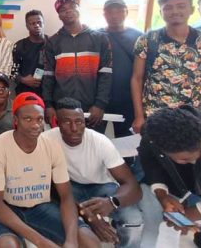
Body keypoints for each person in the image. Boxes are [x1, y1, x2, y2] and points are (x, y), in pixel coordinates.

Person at [0, 92, 100, 248]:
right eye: (28, 119)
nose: (36, 125)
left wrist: (71, 241)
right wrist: (41, 241)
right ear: (15, 120)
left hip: (40, 207)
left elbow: (66, 197)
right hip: (6, 207)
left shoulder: (51, 146)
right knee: (8, 246)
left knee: (89, 241)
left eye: (39, 119)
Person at [131, 0, 201, 133]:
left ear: (191, 10)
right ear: (161, 12)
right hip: (156, 116)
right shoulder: (148, 40)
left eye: (181, 6)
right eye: (168, 7)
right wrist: (139, 116)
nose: (175, 11)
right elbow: (137, 79)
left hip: (195, 118)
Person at [45, 97, 143, 247]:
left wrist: (112, 202)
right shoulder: (46, 141)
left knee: (134, 220)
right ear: (57, 123)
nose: (74, 128)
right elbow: (47, 187)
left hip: (101, 186)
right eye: (66, 122)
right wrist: (87, 215)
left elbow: (133, 187)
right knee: (58, 219)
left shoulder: (100, 141)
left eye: (79, 122)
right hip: (67, 187)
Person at [139, 107, 201, 248]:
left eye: (186, 159)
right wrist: (162, 194)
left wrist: (193, 214)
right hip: (189, 186)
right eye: (173, 158)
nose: (180, 162)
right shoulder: (155, 134)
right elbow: (150, 160)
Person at [42, 0, 112, 130]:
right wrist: (48, 105)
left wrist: (100, 104)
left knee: (93, 143)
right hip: (63, 108)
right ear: (59, 16)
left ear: (79, 9)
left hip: (92, 110)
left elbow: (106, 75)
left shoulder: (100, 39)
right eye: (63, 10)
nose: (68, 11)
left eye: (72, 7)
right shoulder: (53, 42)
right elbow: (48, 76)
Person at [99, 0, 142, 138]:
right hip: (101, 98)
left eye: (119, 11)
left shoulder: (139, 37)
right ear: (104, 14)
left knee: (127, 138)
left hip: (128, 98)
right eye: (110, 11)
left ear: (126, 12)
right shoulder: (96, 36)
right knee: (95, 137)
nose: (114, 15)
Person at [11, 10, 47, 95]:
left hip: (48, 92)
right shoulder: (19, 46)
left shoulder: (52, 43)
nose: (37, 25)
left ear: (43, 23)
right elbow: (11, 71)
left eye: (39, 22)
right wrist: (23, 80)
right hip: (25, 92)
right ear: (27, 26)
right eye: (32, 23)